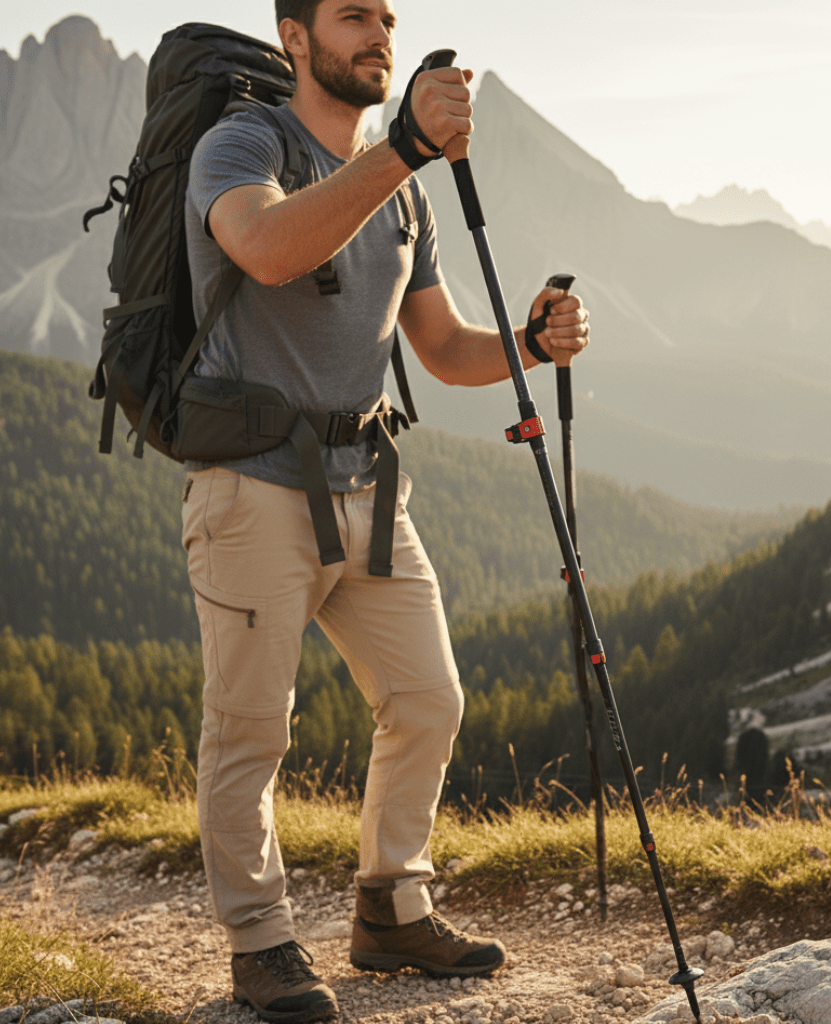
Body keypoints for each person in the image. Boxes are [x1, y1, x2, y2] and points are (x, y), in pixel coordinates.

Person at [180, 0, 591, 1021]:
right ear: (293, 36)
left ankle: (391, 905)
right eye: (353, 15)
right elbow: (266, 249)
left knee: (427, 699)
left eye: (388, 18)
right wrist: (405, 147)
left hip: (367, 483)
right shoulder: (241, 144)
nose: (379, 36)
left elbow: (445, 350)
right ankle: (261, 940)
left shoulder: (402, 190)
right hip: (247, 486)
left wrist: (530, 346)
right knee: (250, 729)